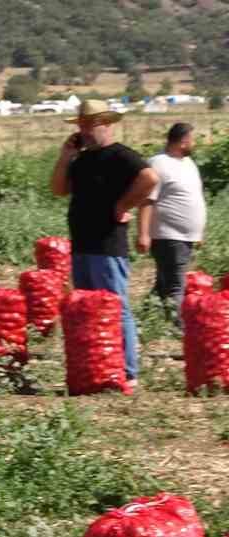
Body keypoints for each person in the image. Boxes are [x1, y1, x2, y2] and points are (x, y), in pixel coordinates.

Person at [50, 99, 160, 383]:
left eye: (91, 125)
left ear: (107, 125)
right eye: (82, 125)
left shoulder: (121, 155)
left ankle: (129, 371)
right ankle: (97, 368)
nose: (85, 131)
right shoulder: (82, 160)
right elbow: (58, 190)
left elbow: (150, 178)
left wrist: (124, 205)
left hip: (107, 244)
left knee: (115, 306)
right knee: (87, 307)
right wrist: (65, 156)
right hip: (82, 243)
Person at [137, 122, 205, 322]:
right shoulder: (158, 163)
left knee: (163, 283)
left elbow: (194, 197)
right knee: (176, 284)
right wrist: (143, 233)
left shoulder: (187, 163)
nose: (194, 144)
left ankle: (143, 321)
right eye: (192, 140)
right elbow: (147, 200)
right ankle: (180, 330)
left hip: (186, 236)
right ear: (183, 142)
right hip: (168, 235)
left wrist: (198, 232)